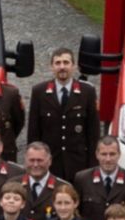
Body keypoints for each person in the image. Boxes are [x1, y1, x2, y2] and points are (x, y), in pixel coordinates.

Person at [27, 47, 99, 181]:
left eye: (66, 63)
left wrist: (92, 167)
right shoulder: (39, 92)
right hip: (50, 164)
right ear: (51, 67)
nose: (62, 67)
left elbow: (93, 133)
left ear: (74, 66)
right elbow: (33, 132)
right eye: (58, 63)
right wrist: (34, 163)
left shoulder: (87, 92)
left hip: (78, 164)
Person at [72, 136, 125, 220]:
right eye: (104, 154)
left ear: (119, 154)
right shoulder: (82, 179)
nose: (108, 159)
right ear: (97, 155)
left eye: (112, 154)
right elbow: (76, 212)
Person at [16, 143, 63, 218]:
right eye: (31, 160)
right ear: (25, 160)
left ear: (50, 160)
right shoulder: (14, 184)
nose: (35, 165)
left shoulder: (62, 187)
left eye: (40, 160)